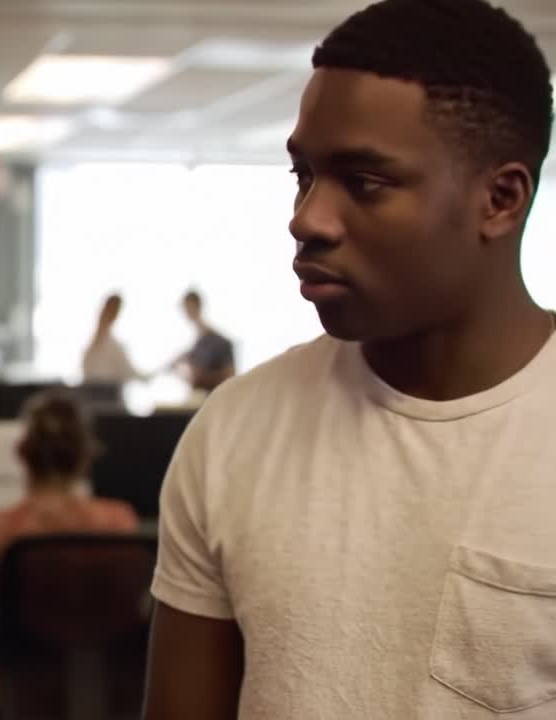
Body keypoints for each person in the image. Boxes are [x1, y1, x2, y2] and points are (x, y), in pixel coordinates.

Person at [144, 1, 556, 718]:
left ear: (500, 199)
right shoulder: (235, 432)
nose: (307, 218)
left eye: (363, 183)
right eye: (303, 174)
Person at [0, 390, 139, 707]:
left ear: (20, 452)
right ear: (85, 455)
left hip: (19, 692)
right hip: (109, 689)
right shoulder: (121, 522)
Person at [171, 290, 235, 393]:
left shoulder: (220, 343)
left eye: (189, 308)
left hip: (215, 400)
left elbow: (230, 377)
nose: (187, 313)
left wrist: (200, 377)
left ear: (197, 306)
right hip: (199, 401)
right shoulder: (195, 348)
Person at [82, 293, 150, 385]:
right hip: (105, 394)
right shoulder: (110, 344)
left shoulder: (104, 342)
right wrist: (149, 377)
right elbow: (128, 372)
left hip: (96, 393)